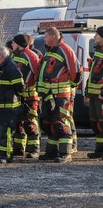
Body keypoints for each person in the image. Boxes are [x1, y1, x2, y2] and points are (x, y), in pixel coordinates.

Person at [37, 27, 81, 163]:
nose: (44, 39)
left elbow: (75, 71)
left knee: (61, 122)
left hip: (61, 95)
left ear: (53, 37)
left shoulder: (65, 49)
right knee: (48, 122)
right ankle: (51, 152)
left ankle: (65, 153)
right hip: (48, 94)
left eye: (46, 37)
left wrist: (70, 86)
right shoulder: (49, 51)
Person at [0, 46, 25, 163]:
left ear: (0, 56)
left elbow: (20, 86)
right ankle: (2, 153)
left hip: (8, 106)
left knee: (7, 132)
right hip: (0, 106)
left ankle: (6, 155)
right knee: (1, 131)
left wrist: (13, 97)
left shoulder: (11, 67)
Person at [11, 34, 42, 159]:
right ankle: (18, 148)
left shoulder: (30, 55)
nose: (11, 45)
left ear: (18, 44)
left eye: (13, 43)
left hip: (30, 96)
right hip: (18, 96)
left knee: (31, 121)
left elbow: (37, 73)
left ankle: (34, 149)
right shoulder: (15, 56)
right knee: (18, 122)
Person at [86, 26, 103, 159]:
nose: (94, 37)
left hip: (101, 95)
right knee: (96, 122)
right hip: (93, 94)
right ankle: (99, 150)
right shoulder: (98, 51)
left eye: (96, 35)